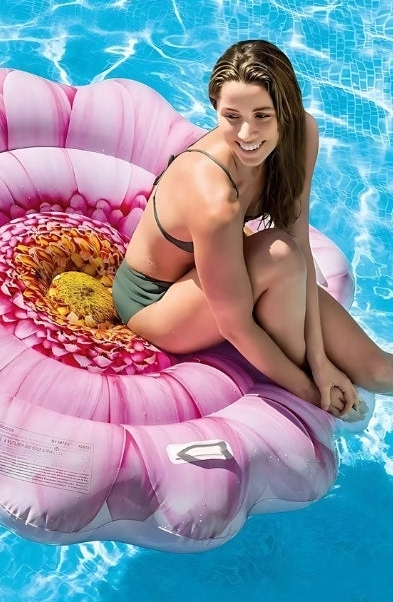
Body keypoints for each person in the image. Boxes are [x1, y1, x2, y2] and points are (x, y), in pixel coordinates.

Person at [112, 39, 393, 420]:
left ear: (286, 111)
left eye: (263, 116)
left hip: (238, 270)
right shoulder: (212, 193)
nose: (246, 134)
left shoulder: (302, 135)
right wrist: (313, 388)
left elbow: (299, 242)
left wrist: (321, 358)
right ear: (215, 109)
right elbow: (236, 324)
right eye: (231, 116)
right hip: (158, 303)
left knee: (380, 371)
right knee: (278, 254)